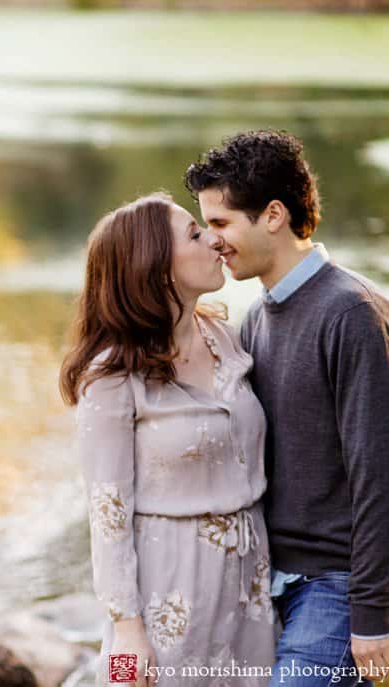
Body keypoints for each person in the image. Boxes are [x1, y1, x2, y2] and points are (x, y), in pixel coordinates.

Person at [184, 130, 389, 687]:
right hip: (272, 582)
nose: (213, 240)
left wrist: (374, 615)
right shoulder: (257, 318)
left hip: (338, 588)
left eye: (222, 223)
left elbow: (378, 475)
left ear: (273, 214)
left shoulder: (352, 314)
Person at [60, 192, 277, 687]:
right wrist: (127, 633)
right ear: (157, 268)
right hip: (168, 594)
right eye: (195, 234)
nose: (215, 241)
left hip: (250, 588)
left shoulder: (227, 339)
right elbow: (107, 512)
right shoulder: (112, 376)